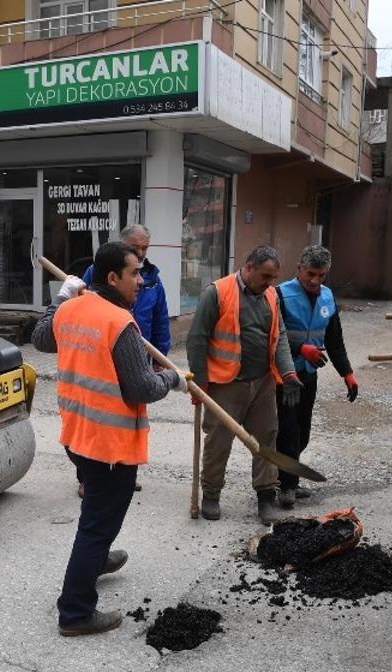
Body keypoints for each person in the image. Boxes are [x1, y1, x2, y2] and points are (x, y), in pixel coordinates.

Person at [33, 240, 188, 637]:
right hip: (109, 446)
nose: (141, 280)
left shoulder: (71, 310)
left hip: (76, 432)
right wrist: (174, 379)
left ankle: (96, 560)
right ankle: (75, 612)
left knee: (96, 518)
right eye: (135, 273)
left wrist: (61, 298)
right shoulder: (120, 324)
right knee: (99, 524)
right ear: (112, 277)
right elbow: (141, 388)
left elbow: (40, 337)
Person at [186, 244, 303, 526]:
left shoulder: (271, 295)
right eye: (265, 276)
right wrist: (199, 383)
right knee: (218, 442)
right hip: (226, 383)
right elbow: (197, 338)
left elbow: (280, 336)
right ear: (248, 267)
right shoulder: (217, 292)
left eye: (273, 278)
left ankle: (266, 496)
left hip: (262, 382)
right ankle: (211, 495)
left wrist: (287, 373)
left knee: (266, 438)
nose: (269, 283)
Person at [77, 224, 170, 498]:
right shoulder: (96, 273)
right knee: (97, 420)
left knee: (131, 419)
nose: (141, 253)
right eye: (135, 247)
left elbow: (160, 319)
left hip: (138, 353)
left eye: (145, 248)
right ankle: (88, 477)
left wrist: (159, 358)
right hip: (102, 355)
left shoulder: (151, 278)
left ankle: (125, 470)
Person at [273, 245, 357, 509]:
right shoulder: (280, 295)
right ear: (299, 269)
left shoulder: (328, 297)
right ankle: (285, 486)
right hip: (284, 376)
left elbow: (334, 339)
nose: (315, 281)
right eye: (310, 273)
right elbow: (272, 337)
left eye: (321, 275)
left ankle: (290, 479)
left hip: (309, 375)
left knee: (303, 433)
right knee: (288, 431)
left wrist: (348, 373)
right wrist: (300, 349)